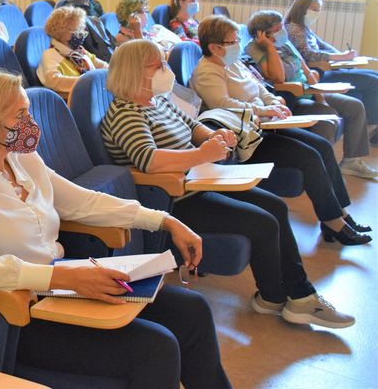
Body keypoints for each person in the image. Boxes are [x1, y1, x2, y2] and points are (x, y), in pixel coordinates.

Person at [0, 69, 231, 389]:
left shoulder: (23, 160)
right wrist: (61, 278)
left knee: (192, 311)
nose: (30, 123)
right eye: (20, 115)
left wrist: (164, 220)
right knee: (156, 350)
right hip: (22, 314)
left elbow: (84, 203)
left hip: (66, 287)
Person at [101, 39, 356, 328]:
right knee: (263, 222)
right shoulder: (126, 113)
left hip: (199, 182)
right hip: (172, 200)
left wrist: (213, 136)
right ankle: (294, 297)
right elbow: (149, 160)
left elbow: (192, 125)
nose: (165, 70)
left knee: (275, 207)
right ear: (134, 72)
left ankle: (282, 298)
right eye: (156, 66)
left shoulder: (156, 101)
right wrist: (201, 154)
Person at [190, 15, 370, 244]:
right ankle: (334, 223)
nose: (237, 45)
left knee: (323, 146)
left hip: (264, 125)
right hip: (248, 138)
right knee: (309, 157)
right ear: (215, 47)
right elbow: (223, 104)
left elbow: (259, 88)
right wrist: (263, 109)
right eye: (232, 41)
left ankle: (340, 215)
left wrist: (273, 102)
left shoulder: (232, 63)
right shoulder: (207, 71)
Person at [245, 10, 377, 179]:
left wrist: (321, 97)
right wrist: (270, 47)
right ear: (262, 34)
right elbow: (279, 78)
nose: (282, 31)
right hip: (294, 96)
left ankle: (352, 162)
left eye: (281, 27)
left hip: (310, 90)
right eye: (277, 29)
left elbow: (306, 70)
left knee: (354, 106)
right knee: (328, 116)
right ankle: (319, 170)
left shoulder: (285, 43)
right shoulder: (255, 48)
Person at [285, 0, 378, 137]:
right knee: (373, 82)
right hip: (317, 74)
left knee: (374, 75)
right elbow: (309, 54)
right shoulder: (293, 28)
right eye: (313, 9)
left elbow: (324, 46)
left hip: (325, 69)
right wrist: (341, 57)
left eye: (318, 10)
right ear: (301, 8)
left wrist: (345, 56)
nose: (316, 13)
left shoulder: (305, 28)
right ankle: (371, 127)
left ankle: (371, 125)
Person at [38, 6, 107, 94]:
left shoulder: (79, 51)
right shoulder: (50, 55)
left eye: (81, 29)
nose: (80, 34)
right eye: (76, 30)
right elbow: (53, 80)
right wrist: (90, 82)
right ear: (60, 31)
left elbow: (102, 65)